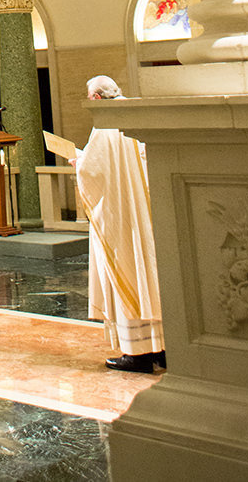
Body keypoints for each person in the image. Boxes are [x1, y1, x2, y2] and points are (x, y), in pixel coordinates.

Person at [73, 75, 165, 373]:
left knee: (126, 269)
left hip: (120, 217)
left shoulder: (105, 126)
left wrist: (78, 162)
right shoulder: (137, 116)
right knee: (150, 276)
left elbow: (93, 173)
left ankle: (137, 353)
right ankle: (161, 349)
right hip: (146, 214)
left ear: (97, 98)